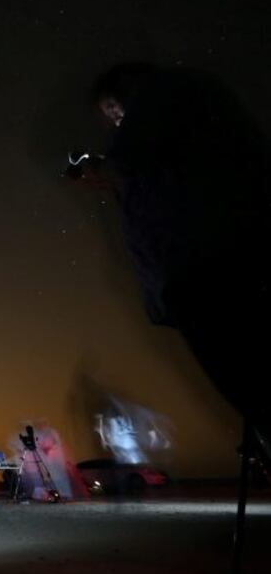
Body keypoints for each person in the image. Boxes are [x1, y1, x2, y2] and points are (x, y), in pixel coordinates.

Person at [88, 63, 270, 449]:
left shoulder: (165, 102)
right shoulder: (187, 121)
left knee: (247, 376)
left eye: (113, 111)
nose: (114, 122)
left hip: (209, 268)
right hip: (200, 270)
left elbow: (134, 158)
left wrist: (113, 167)